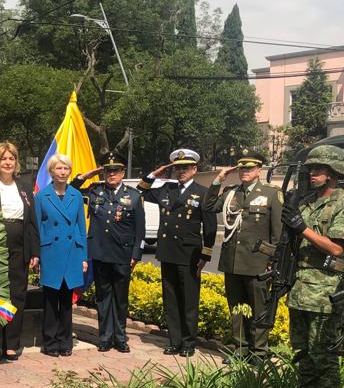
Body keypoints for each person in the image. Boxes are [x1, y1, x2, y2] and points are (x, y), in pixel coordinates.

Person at [273, 145, 344, 388]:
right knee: (304, 355)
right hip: (301, 289)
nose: (313, 174)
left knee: (323, 357)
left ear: (335, 174)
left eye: (319, 170)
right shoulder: (306, 202)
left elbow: (338, 248)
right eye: (312, 169)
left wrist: (303, 229)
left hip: (326, 291)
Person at [203, 147, 282, 358]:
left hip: (258, 263)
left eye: (250, 168)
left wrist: (272, 261)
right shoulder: (231, 193)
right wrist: (219, 179)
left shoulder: (271, 194)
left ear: (259, 169)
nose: (244, 171)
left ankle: (258, 352)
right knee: (237, 308)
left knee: (258, 309)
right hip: (233, 261)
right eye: (241, 168)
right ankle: (241, 348)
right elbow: (209, 205)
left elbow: (277, 233)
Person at [138, 149, 217, 357]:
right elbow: (142, 189)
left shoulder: (203, 192)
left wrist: (206, 255)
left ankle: (189, 342)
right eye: (177, 168)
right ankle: (174, 341)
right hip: (167, 252)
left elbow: (210, 227)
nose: (181, 172)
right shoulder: (166, 189)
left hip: (189, 254)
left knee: (189, 300)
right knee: (171, 299)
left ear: (194, 169)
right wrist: (156, 173)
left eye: (185, 168)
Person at [71, 152, 145, 352]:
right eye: (107, 171)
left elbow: (140, 229)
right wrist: (87, 175)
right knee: (103, 298)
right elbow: (71, 189)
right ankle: (104, 337)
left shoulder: (134, 195)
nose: (111, 174)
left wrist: (136, 254)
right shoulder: (95, 191)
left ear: (122, 173)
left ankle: (120, 338)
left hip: (123, 253)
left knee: (121, 298)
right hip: (100, 252)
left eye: (115, 171)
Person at [0, 142, 39, 361]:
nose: (8, 162)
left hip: (19, 244)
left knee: (17, 295)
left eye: (11, 158)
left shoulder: (25, 185)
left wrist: (34, 251)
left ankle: (11, 344)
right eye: (4, 158)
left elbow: (32, 221)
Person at [34, 154, 88, 357]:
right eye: (59, 168)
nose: (63, 172)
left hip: (72, 252)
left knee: (66, 300)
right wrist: (37, 255)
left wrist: (83, 256)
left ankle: (65, 342)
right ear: (51, 172)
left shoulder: (76, 195)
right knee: (50, 300)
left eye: (66, 168)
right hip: (50, 252)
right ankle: (49, 343)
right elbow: (38, 227)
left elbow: (81, 228)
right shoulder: (41, 196)